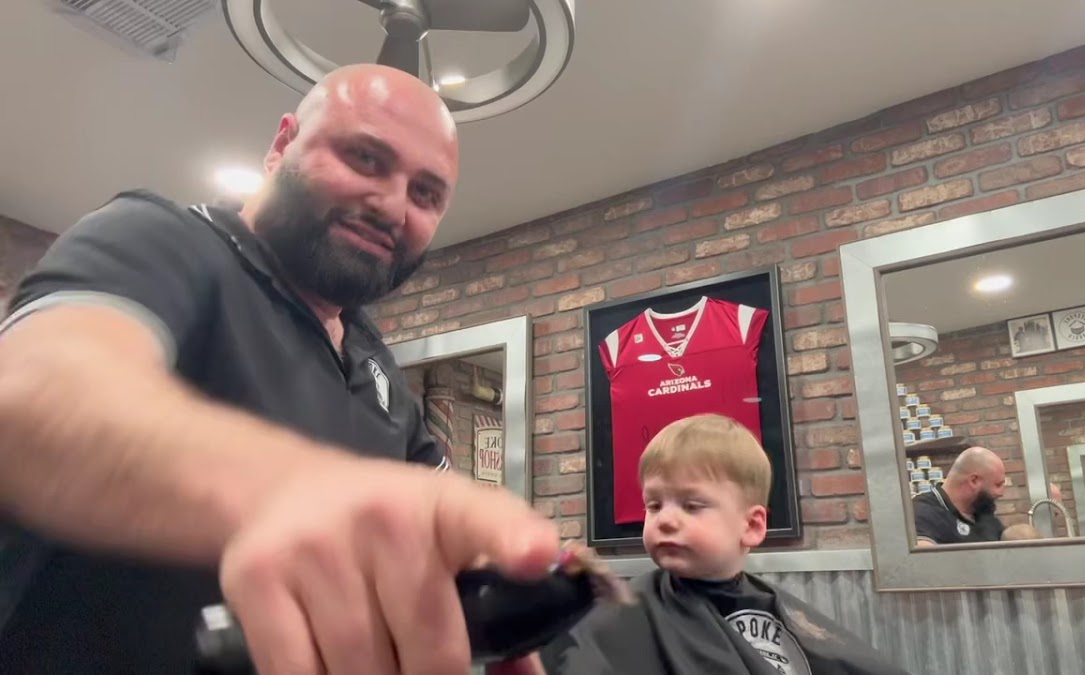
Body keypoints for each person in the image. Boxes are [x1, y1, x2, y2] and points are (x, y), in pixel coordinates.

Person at [0, 64, 559, 674]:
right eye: (365, 158)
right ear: (281, 144)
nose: (392, 205)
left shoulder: (375, 367)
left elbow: (442, 518)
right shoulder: (160, 239)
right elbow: (36, 392)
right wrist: (305, 492)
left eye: (426, 193)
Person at [540, 414, 909, 675]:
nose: (664, 518)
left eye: (691, 505)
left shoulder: (772, 606)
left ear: (751, 526)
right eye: (654, 504)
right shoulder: (623, 615)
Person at [912, 446, 1006, 546]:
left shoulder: (985, 516)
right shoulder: (923, 512)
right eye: (998, 485)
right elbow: (923, 559)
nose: (1001, 493)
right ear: (974, 481)